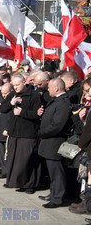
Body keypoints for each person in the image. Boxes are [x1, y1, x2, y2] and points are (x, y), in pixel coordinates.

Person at [1, 74, 42, 194]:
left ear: (24, 82)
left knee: (26, 160)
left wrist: (22, 112)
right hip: (14, 132)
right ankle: (14, 181)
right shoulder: (12, 95)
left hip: (28, 133)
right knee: (13, 159)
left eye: (17, 84)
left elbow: (37, 115)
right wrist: (11, 103)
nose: (15, 87)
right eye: (13, 85)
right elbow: (3, 109)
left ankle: (30, 185)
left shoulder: (34, 96)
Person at [37, 78, 71, 208]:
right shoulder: (57, 101)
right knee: (52, 171)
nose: (48, 89)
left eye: (50, 87)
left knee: (57, 172)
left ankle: (57, 198)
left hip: (54, 142)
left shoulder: (63, 102)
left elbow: (57, 125)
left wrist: (42, 133)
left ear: (56, 88)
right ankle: (53, 193)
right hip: (48, 142)